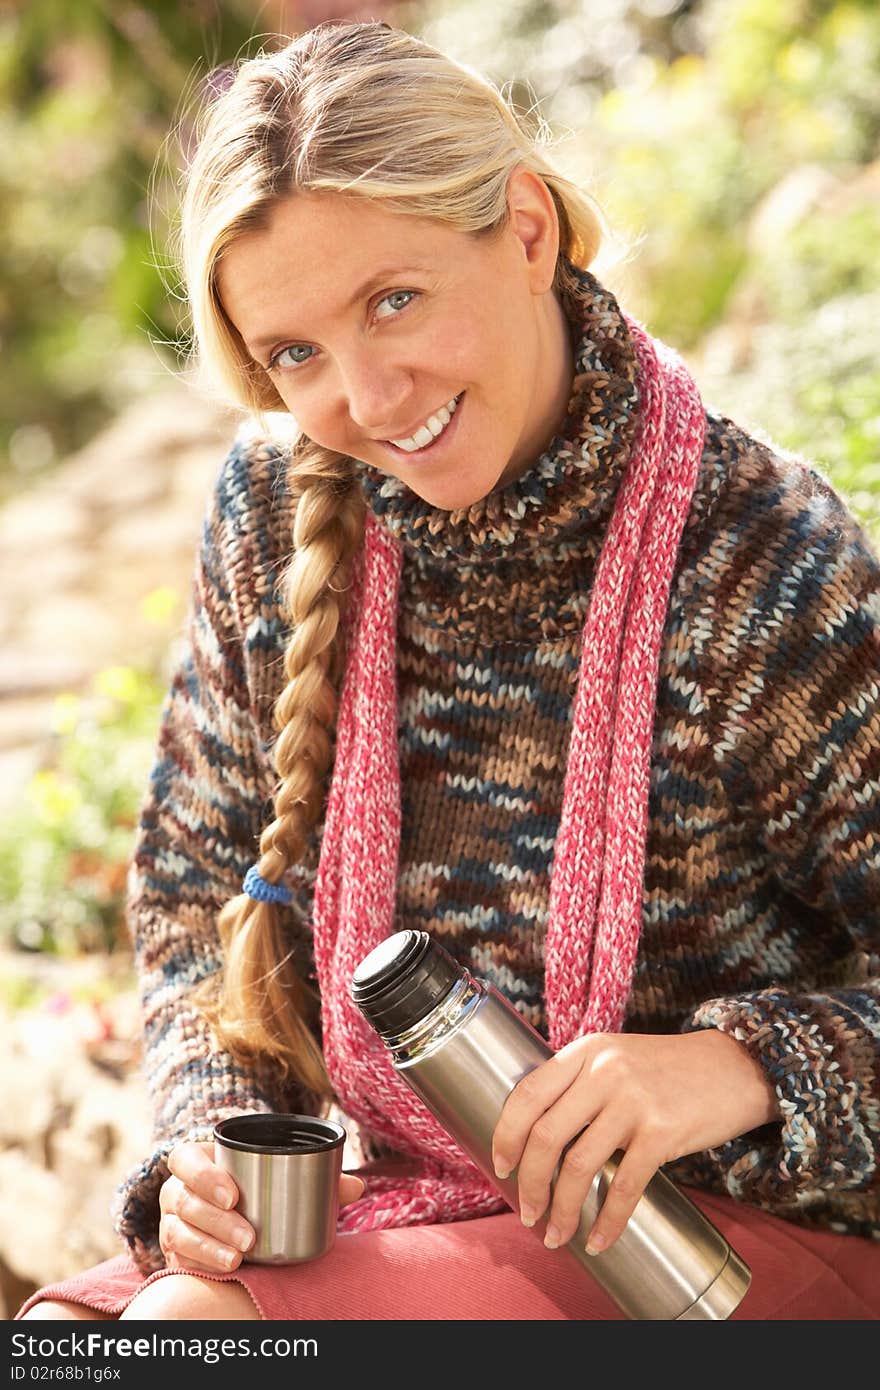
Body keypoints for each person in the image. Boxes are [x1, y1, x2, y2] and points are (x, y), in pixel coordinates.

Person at [16, 19, 880, 1322]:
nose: (365, 395)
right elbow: (200, 879)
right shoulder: (277, 510)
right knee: (78, 1337)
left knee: (190, 1340)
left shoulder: (755, 551)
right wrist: (213, 1139)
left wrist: (734, 1065)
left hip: (726, 1238)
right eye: (296, 352)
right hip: (421, 1206)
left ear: (527, 229)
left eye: (393, 299)